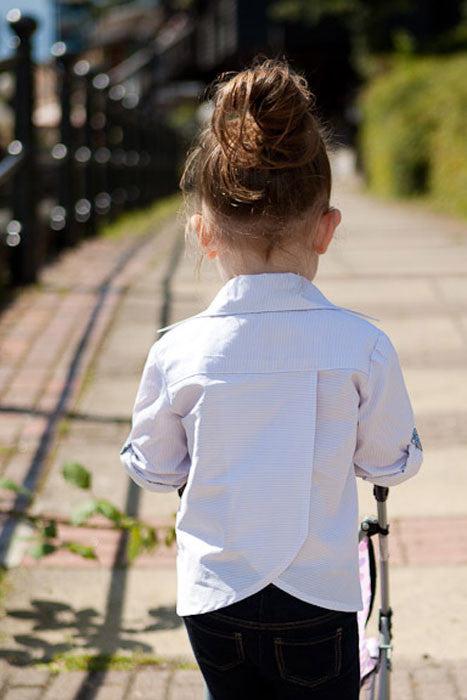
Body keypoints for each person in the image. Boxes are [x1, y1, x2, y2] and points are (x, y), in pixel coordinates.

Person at [120, 56, 423, 699]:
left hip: (213, 595)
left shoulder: (177, 350)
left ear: (202, 234)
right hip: (318, 593)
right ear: (327, 228)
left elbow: (152, 468)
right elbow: (390, 462)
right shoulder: (362, 345)